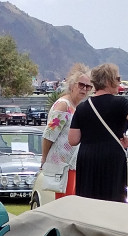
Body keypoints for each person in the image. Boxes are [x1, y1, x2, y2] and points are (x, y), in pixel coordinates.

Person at [66, 63, 128, 202]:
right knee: (112, 199)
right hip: (112, 157)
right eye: (118, 78)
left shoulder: (83, 107)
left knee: (87, 199)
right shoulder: (120, 103)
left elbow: (73, 140)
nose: (119, 82)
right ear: (108, 81)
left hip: (88, 158)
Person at [35, 64, 91, 206]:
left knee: (71, 204)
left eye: (88, 86)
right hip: (61, 165)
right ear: (72, 85)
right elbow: (49, 134)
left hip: (72, 164)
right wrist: (44, 158)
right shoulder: (63, 105)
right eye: (81, 85)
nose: (84, 89)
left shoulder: (76, 107)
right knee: (63, 204)